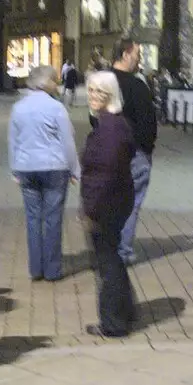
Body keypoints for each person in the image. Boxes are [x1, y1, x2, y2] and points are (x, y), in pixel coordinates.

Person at [9, 65, 80, 283]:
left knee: (32, 218)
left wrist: (14, 168)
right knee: (52, 218)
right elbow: (67, 142)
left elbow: (14, 140)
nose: (58, 84)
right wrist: (75, 169)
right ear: (46, 82)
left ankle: (35, 269)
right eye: (55, 80)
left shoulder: (18, 108)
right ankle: (52, 269)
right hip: (54, 167)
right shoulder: (56, 108)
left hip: (27, 168)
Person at [80, 71, 136, 337]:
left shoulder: (110, 129)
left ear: (111, 94)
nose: (93, 96)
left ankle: (113, 321)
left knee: (108, 262)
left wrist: (91, 209)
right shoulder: (112, 125)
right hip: (116, 199)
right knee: (112, 257)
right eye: (90, 90)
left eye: (99, 92)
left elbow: (104, 174)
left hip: (107, 203)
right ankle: (125, 310)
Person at [109, 38, 157, 265]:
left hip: (108, 150)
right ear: (126, 53)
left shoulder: (101, 81)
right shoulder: (137, 86)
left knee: (110, 200)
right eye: (137, 53)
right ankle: (123, 250)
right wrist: (146, 150)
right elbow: (148, 125)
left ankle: (108, 246)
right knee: (132, 203)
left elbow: (93, 117)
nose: (139, 58)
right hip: (134, 153)